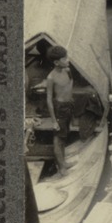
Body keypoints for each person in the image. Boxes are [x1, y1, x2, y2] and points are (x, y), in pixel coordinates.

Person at [40, 45, 85, 176]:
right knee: (58, 139)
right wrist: (54, 121)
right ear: (56, 62)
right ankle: (61, 168)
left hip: (69, 106)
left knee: (64, 136)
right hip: (59, 108)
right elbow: (49, 99)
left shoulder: (68, 71)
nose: (67, 60)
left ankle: (63, 162)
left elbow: (69, 87)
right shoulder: (51, 77)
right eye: (64, 58)